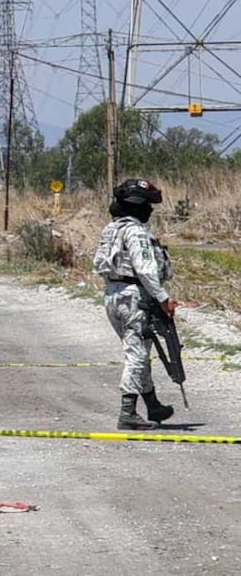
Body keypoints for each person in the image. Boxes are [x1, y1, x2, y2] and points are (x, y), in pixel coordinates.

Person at [92, 178, 178, 430]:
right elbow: (145, 269)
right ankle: (127, 412)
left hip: (112, 294)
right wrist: (163, 299)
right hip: (133, 297)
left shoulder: (111, 229)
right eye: (148, 206)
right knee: (137, 353)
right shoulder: (136, 231)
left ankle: (152, 404)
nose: (150, 211)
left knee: (138, 351)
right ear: (139, 206)